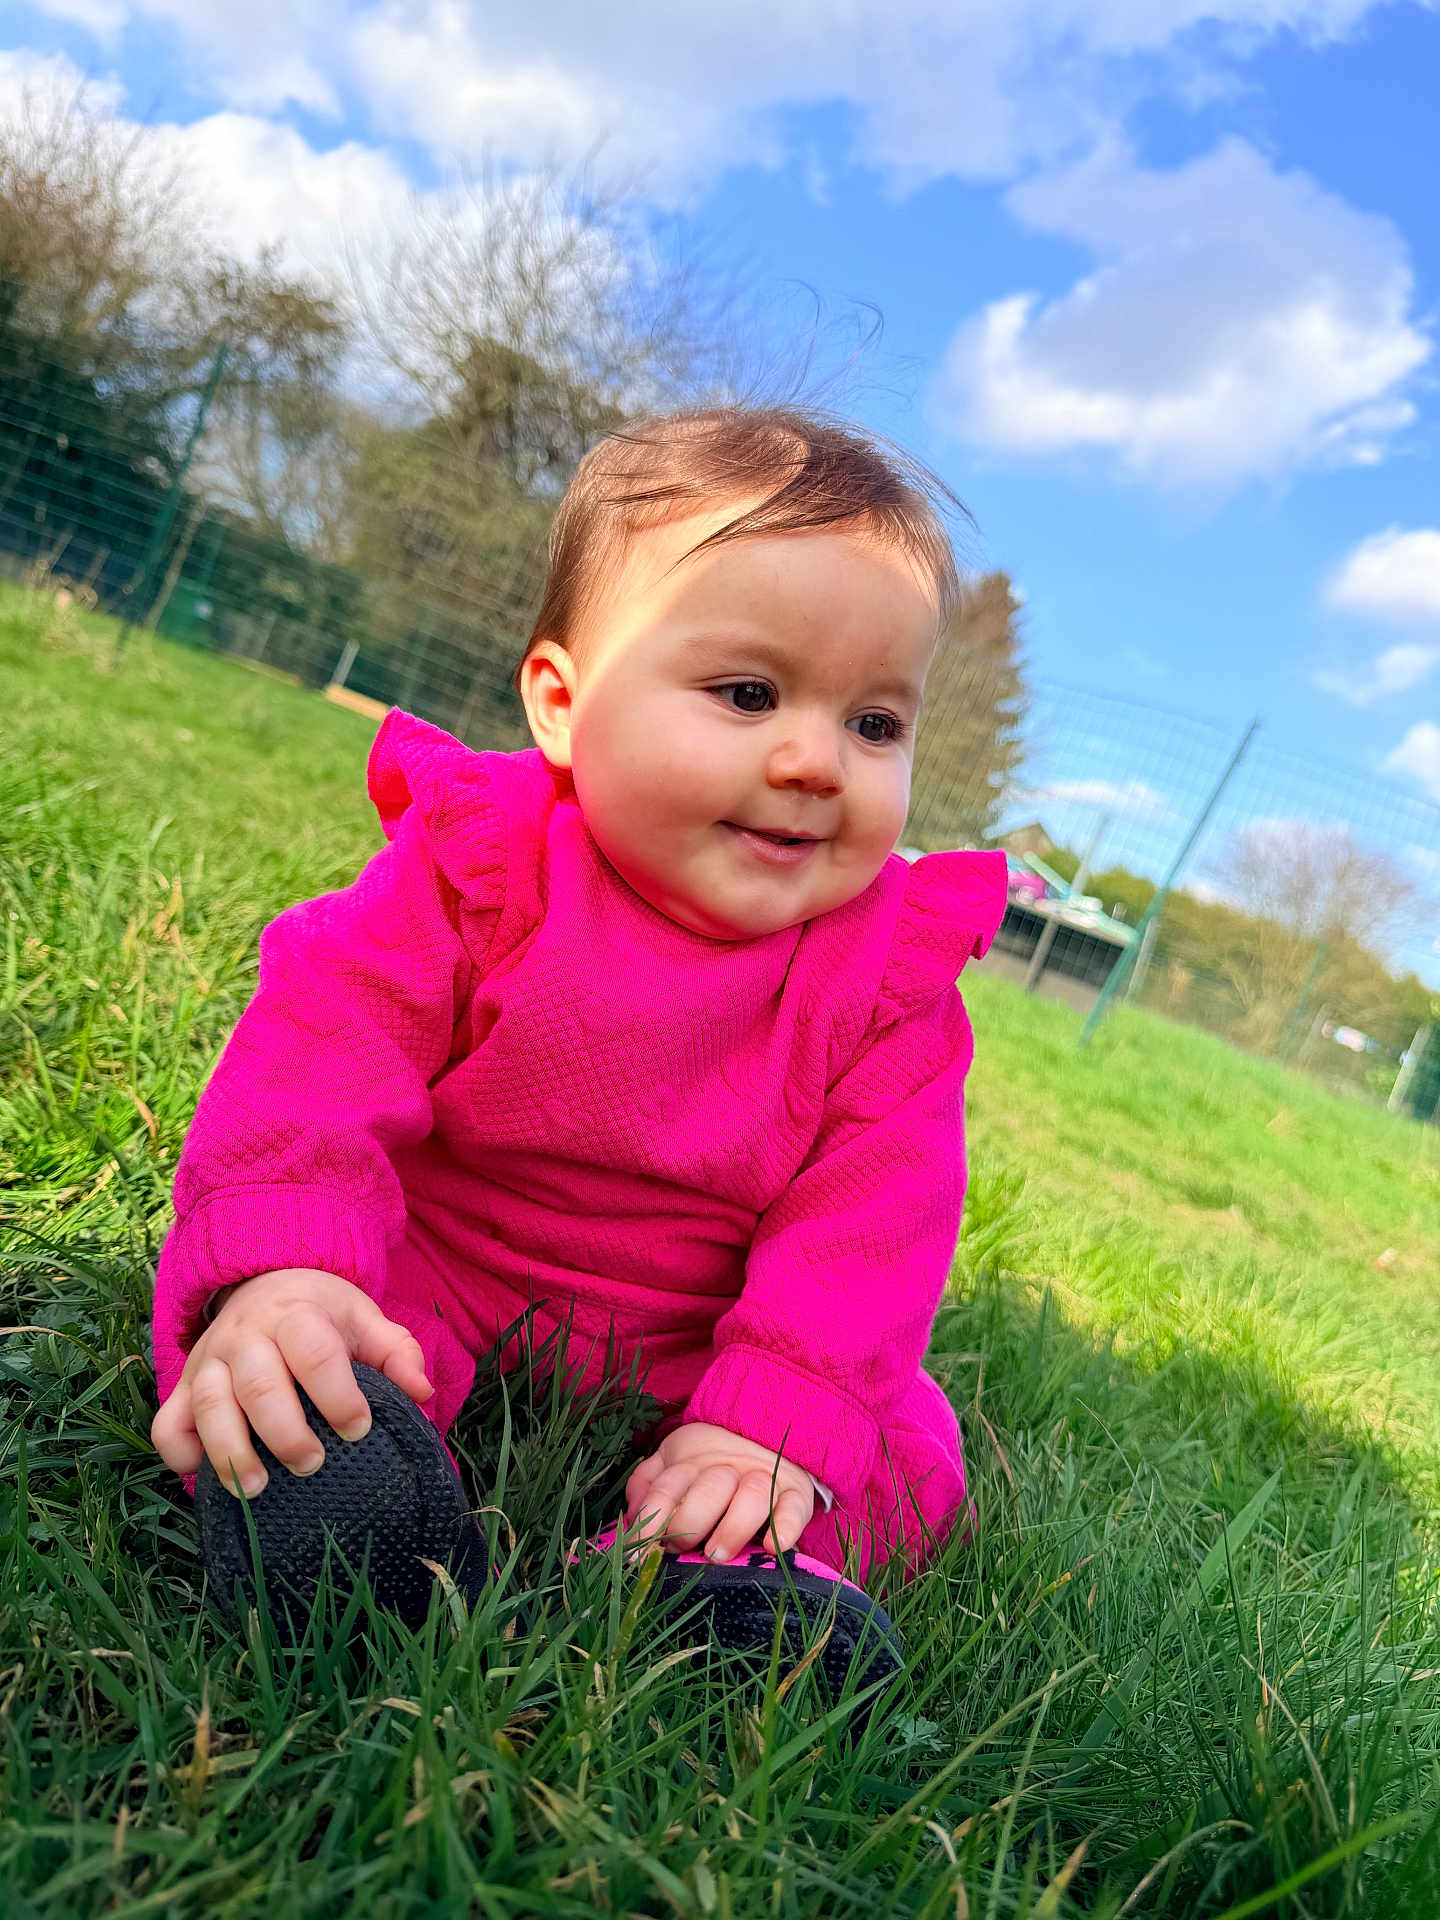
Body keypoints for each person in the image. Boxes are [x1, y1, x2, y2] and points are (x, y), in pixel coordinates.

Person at [149, 407, 1006, 1685]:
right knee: (320, 1353)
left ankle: (713, 1579)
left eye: (876, 723)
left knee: (902, 1447)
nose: (814, 759)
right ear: (562, 703)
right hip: (444, 1258)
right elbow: (323, 1053)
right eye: (749, 693)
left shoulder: (888, 983)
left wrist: (769, 1426)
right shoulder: (483, 866)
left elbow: (872, 1226)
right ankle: (345, 1501)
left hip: (708, 1328)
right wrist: (286, 1268)